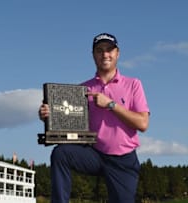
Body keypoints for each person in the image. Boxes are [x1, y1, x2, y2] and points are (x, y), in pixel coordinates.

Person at [38, 33, 150, 203]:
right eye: (99, 50)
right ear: (93, 55)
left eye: (109, 50)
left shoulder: (133, 84)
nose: (105, 54)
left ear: (117, 53)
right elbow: (69, 121)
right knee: (61, 153)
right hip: (94, 154)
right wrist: (49, 115)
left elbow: (143, 124)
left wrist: (111, 105)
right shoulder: (83, 88)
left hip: (123, 159)